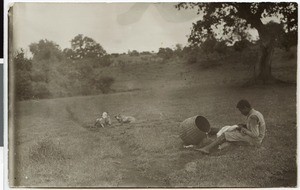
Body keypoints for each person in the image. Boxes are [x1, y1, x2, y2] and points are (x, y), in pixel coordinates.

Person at [196, 99, 266, 154]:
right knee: (231, 131)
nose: (241, 112)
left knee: (225, 135)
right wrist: (244, 126)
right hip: (257, 139)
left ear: (245, 107)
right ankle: (212, 135)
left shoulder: (253, 117)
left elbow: (255, 134)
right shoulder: (256, 113)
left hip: (255, 140)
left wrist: (243, 129)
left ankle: (206, 149)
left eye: (241, 110)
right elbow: (255, 127)